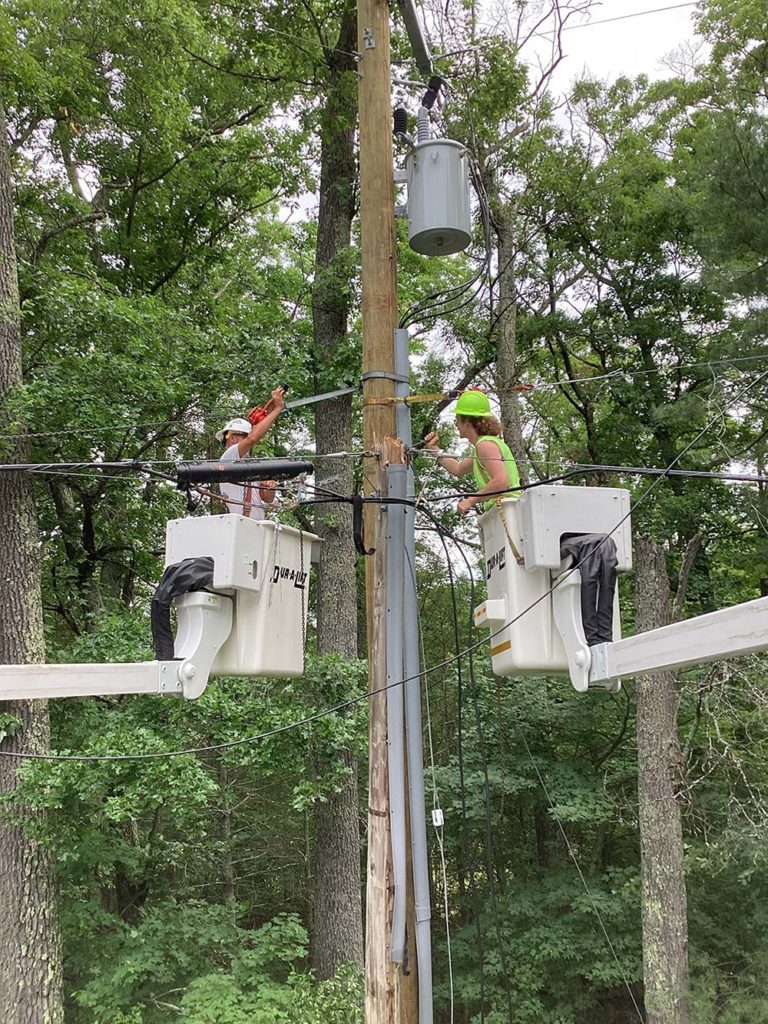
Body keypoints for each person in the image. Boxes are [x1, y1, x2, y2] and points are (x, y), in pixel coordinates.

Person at [424, 389, 520, 515]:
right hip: (505, 509)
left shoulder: (485, 445)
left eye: (457, 419)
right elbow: (458, 469)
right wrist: (433, 449)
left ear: (467, 421)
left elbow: (502, 482)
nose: (456, 425)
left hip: (509, 509)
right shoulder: (483, 446)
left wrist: (470, 501)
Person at [214, 385, 285, 519]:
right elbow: (253, 438)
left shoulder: (250, 466)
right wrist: (277, 408)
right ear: (233, 437)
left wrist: (270, 486)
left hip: (256, 527)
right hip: (241, 525)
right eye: (244, 437)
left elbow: (267, 498)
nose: (248, 441)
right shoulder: (228, 458)